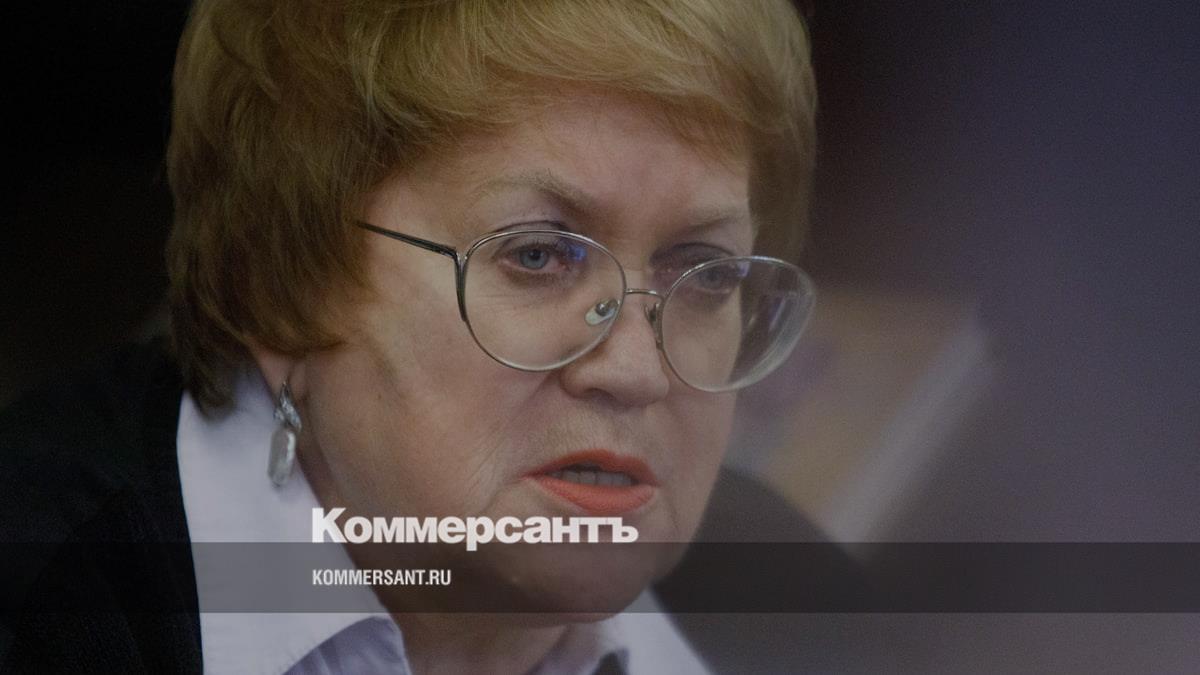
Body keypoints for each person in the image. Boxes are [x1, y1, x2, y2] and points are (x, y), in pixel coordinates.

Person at [2, 0, 818, 672]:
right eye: (538, 255)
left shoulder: (793, 605)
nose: (637, 370)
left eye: (706, 272)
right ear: (284, 284)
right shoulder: (43, 600)